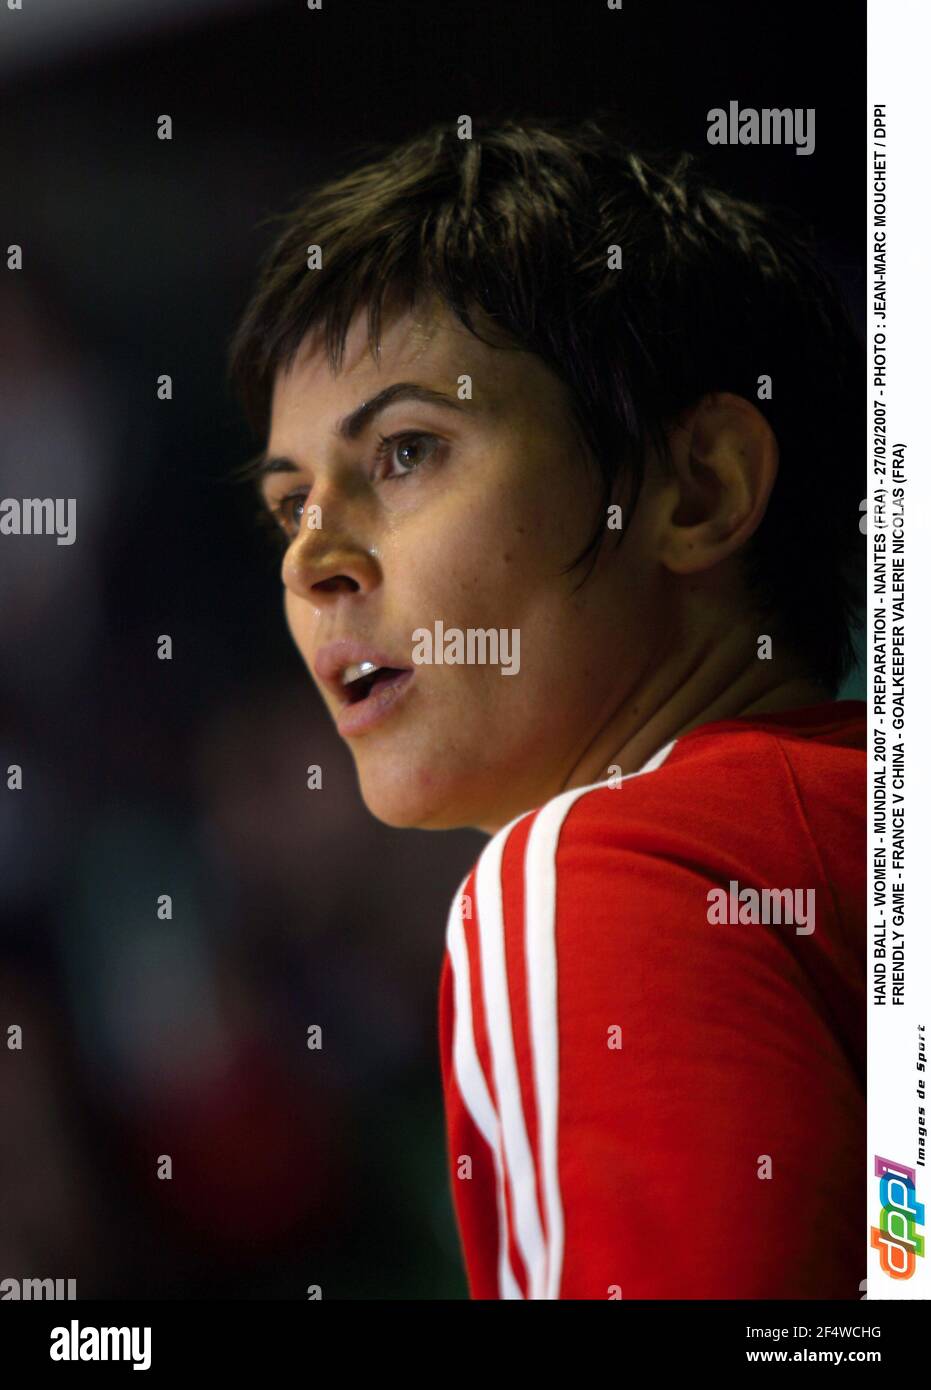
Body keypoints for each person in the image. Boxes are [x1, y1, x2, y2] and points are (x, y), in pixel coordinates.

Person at [228, 116, 866, 1299]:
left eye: (409, 450)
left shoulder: (604, 870)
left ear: (698, 487)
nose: (310, 560)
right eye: (287, 504)